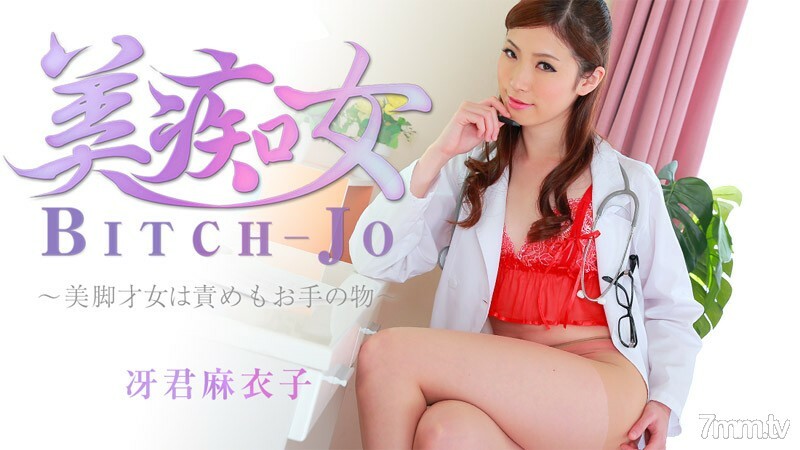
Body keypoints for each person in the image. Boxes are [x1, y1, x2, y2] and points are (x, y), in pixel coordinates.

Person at [348, 1, 704, 448]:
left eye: (545, 65)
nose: (518, 80)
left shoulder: (631, 183)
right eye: (511, 53)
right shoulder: (472, 168)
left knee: (386, 355)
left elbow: (669, 307)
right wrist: (437, 155)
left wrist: (666, 399)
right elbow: (375, 259)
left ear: (588, 80)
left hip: (597, 385)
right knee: (444, 432)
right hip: (506, 385)